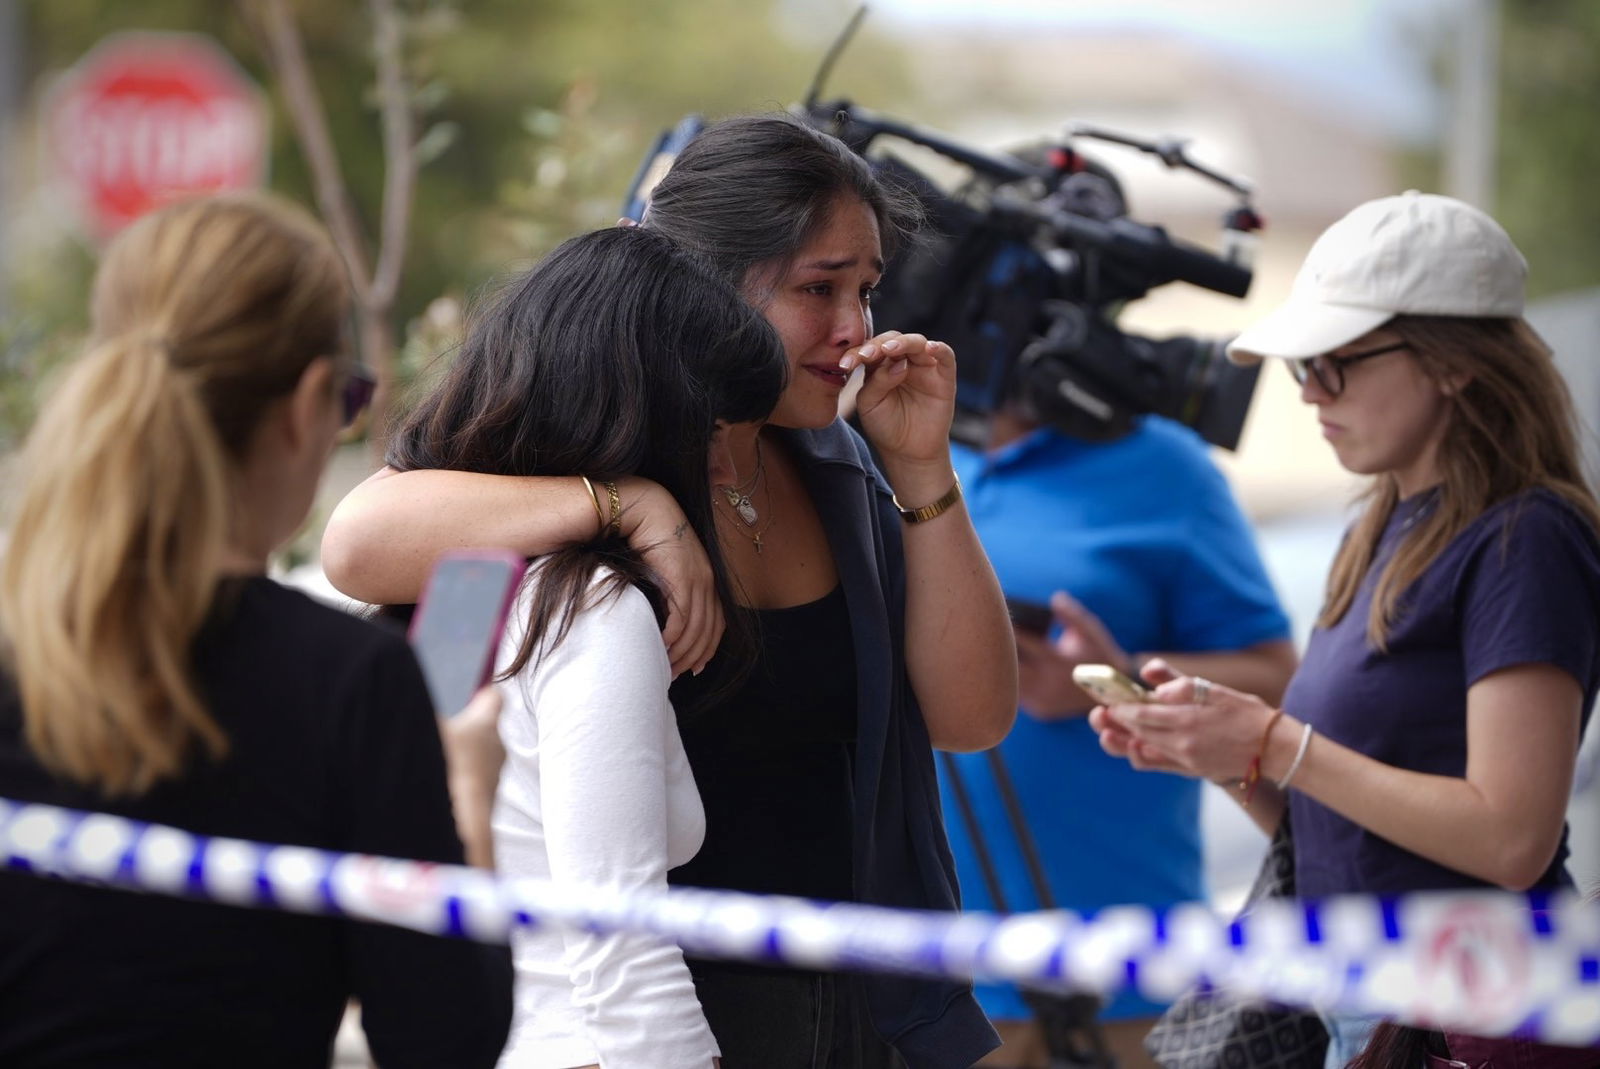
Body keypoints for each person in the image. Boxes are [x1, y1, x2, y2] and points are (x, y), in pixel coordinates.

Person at [321, 112, 1018, 1067]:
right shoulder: (571, 477)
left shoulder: (842, 468)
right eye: (820, 288)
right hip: (646, 1011)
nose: (856, 328)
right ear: (704, 281)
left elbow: (974, 716)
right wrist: (627, 502)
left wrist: (925, 474)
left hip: (861, 1002)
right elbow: (357, 544)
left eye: (868, 288)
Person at [1088, 191, 1600, 1068]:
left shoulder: (1527, 534)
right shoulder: (1384, 522)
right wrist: (1226, 755)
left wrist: (1276, 740)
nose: (1312, 392)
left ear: (1453, 361)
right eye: (1301, 368)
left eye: (1339, 363)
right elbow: (1348, 835)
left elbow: (1511, 839)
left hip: (1468, 1013)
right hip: (1369, 1007)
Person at [0, 193, 512, 1067]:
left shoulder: (20, 646)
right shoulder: (353, 683)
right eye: (351, 398)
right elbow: (441, 1039)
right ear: (305, 401)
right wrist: (466, 793)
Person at [387, 224, 787, 1067]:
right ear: (640, 412)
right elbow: (617, 943)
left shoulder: (460, 586)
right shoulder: (590, 610)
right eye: (711, 426)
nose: (724, 465)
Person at [941, 399, 1296, 1068]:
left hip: (1138, 991)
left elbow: (1278, 679)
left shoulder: (1167, 463)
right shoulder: (869, 449)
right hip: (934, 993)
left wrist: (1106, 678)